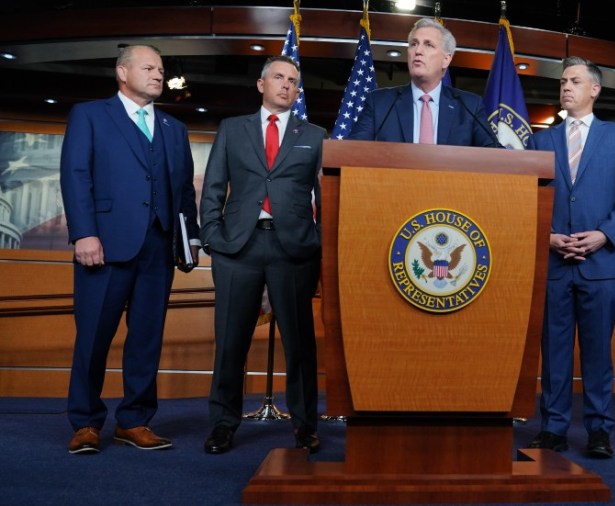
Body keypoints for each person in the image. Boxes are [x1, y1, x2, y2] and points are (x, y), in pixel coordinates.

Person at [60, 44, 200, 454]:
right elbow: (75, 175)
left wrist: (188, 238)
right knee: (93, 338)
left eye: (161, 68)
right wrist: (84, 233)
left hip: (158, 249)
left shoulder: (175, 129)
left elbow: (183, 192)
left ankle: (134, 420)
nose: (159, 74)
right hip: (103, 246)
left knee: (146, 339)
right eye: (149, 67)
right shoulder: (90, 114)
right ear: (123, 73)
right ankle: (86, 422)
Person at [199, 55, 325, 455]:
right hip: (239, 248)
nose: (286, 85)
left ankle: (305, 426)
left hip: (294, 250)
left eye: (293, 81)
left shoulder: (316, 135)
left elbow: (327, 197)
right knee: (230, 344)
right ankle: (223, 425)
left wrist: (318, 241)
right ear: (261, 84)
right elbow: (214, 187)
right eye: (278, 78)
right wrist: (212, 237)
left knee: (300, 346)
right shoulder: (232, 129)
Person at [527, 56, 615, 459]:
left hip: (603, 265)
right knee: (554, 351)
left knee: (597, 351)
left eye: (575, 81)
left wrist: (602, 235)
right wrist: (548, 237)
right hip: (554, 263)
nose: (565, 87)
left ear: (595, 89)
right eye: (562, 81)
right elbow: (530, 197)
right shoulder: (540, 139)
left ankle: (598, 431)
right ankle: (554, 429)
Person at [348, 17, 497, 147]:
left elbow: (497, 156)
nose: (418, 50)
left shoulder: (469, 106)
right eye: (413, 44)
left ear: (446, 59)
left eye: (428, 45)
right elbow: (350, 152)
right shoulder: (380, 103)